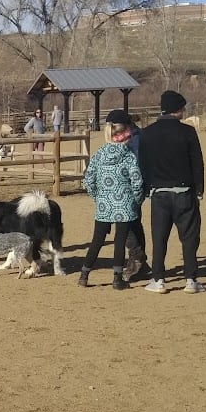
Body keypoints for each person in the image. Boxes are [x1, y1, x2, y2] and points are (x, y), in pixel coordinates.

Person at [138, 90, 206, 294]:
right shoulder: (188, 132)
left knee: (159, 239)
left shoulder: (147, 133)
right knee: (189, 237)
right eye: (182, 107)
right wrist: (199, 190)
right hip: (184, 191)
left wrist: (147, 189)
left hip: (159, 193)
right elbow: (197, 164)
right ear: (178, 109)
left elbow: (144, 165)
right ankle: (191, 280)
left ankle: (158, 279)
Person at [80, 110, 145, 290]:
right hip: (125, 205)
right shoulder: (128, 155)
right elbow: (137, 181)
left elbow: (88, 180)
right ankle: (117, 278)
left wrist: (97, 197)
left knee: (97, 240)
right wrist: (136, 200)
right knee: (120, 240)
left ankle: (84, 274)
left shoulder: (99, 155)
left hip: (103, 205)